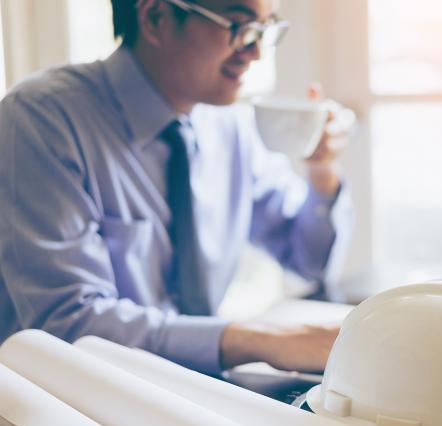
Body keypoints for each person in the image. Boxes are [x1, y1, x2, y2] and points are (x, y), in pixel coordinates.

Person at [0, 0, 353, 375]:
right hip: (71, 402)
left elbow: (309, 261)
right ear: (155, 19)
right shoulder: (42, 120)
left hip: (191, 388)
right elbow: (67, 326)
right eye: (239, 26)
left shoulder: (230, 124)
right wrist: (257, 339)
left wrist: (321, 171)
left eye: (266, 29)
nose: (256, 51)